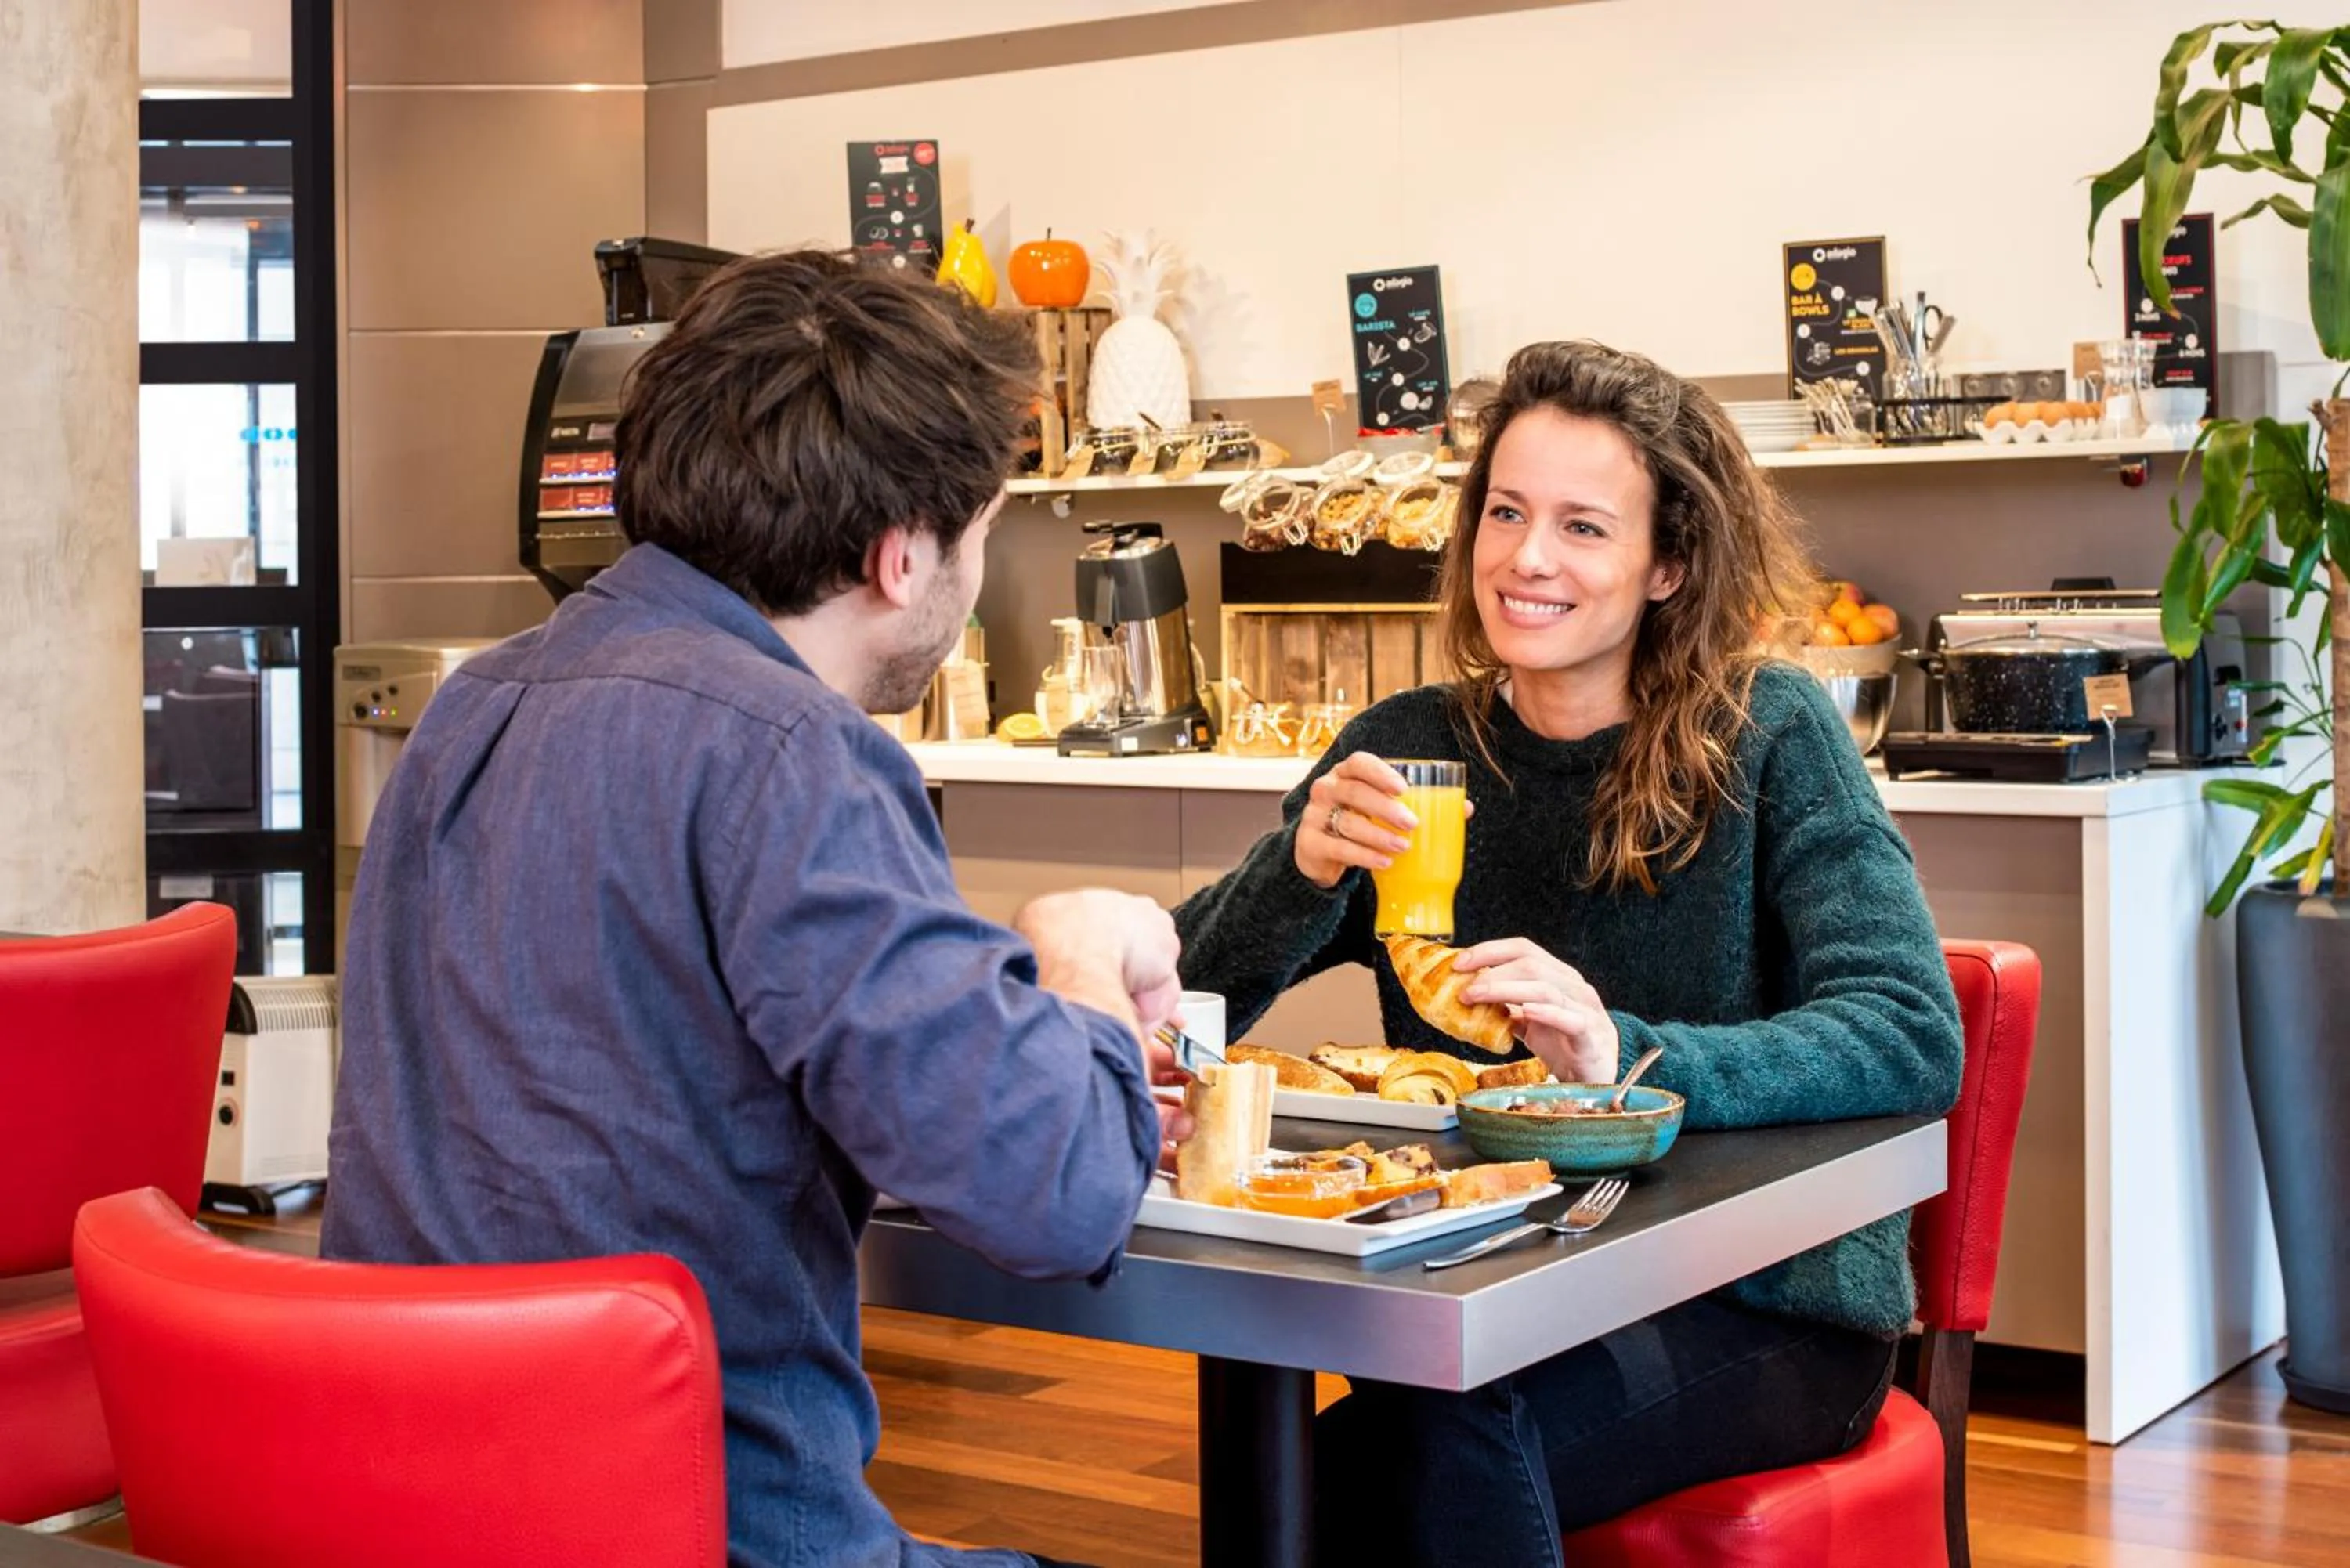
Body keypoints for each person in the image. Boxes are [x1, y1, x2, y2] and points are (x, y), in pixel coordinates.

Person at [323, 250, 1186, 1568]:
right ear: (903, 557)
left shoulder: (469, 707)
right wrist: (1076, 950)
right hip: (696, 1527)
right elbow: (1059, 1193)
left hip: (402, 1514)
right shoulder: (790, 754)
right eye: (981, 529)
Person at [1175, 339, 1965, 1563]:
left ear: (1670, 565)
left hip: (1762, 1306)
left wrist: (1624, 1057)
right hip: (1490, 1290)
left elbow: (1910, 1026)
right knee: (1297, 1485)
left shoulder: (1768, 733)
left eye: (1584, 527)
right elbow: (1179, 999)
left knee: (1429, 1449)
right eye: (1504, 511)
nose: (1525, 558)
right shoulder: (1411, 749)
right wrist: (1302, 869)